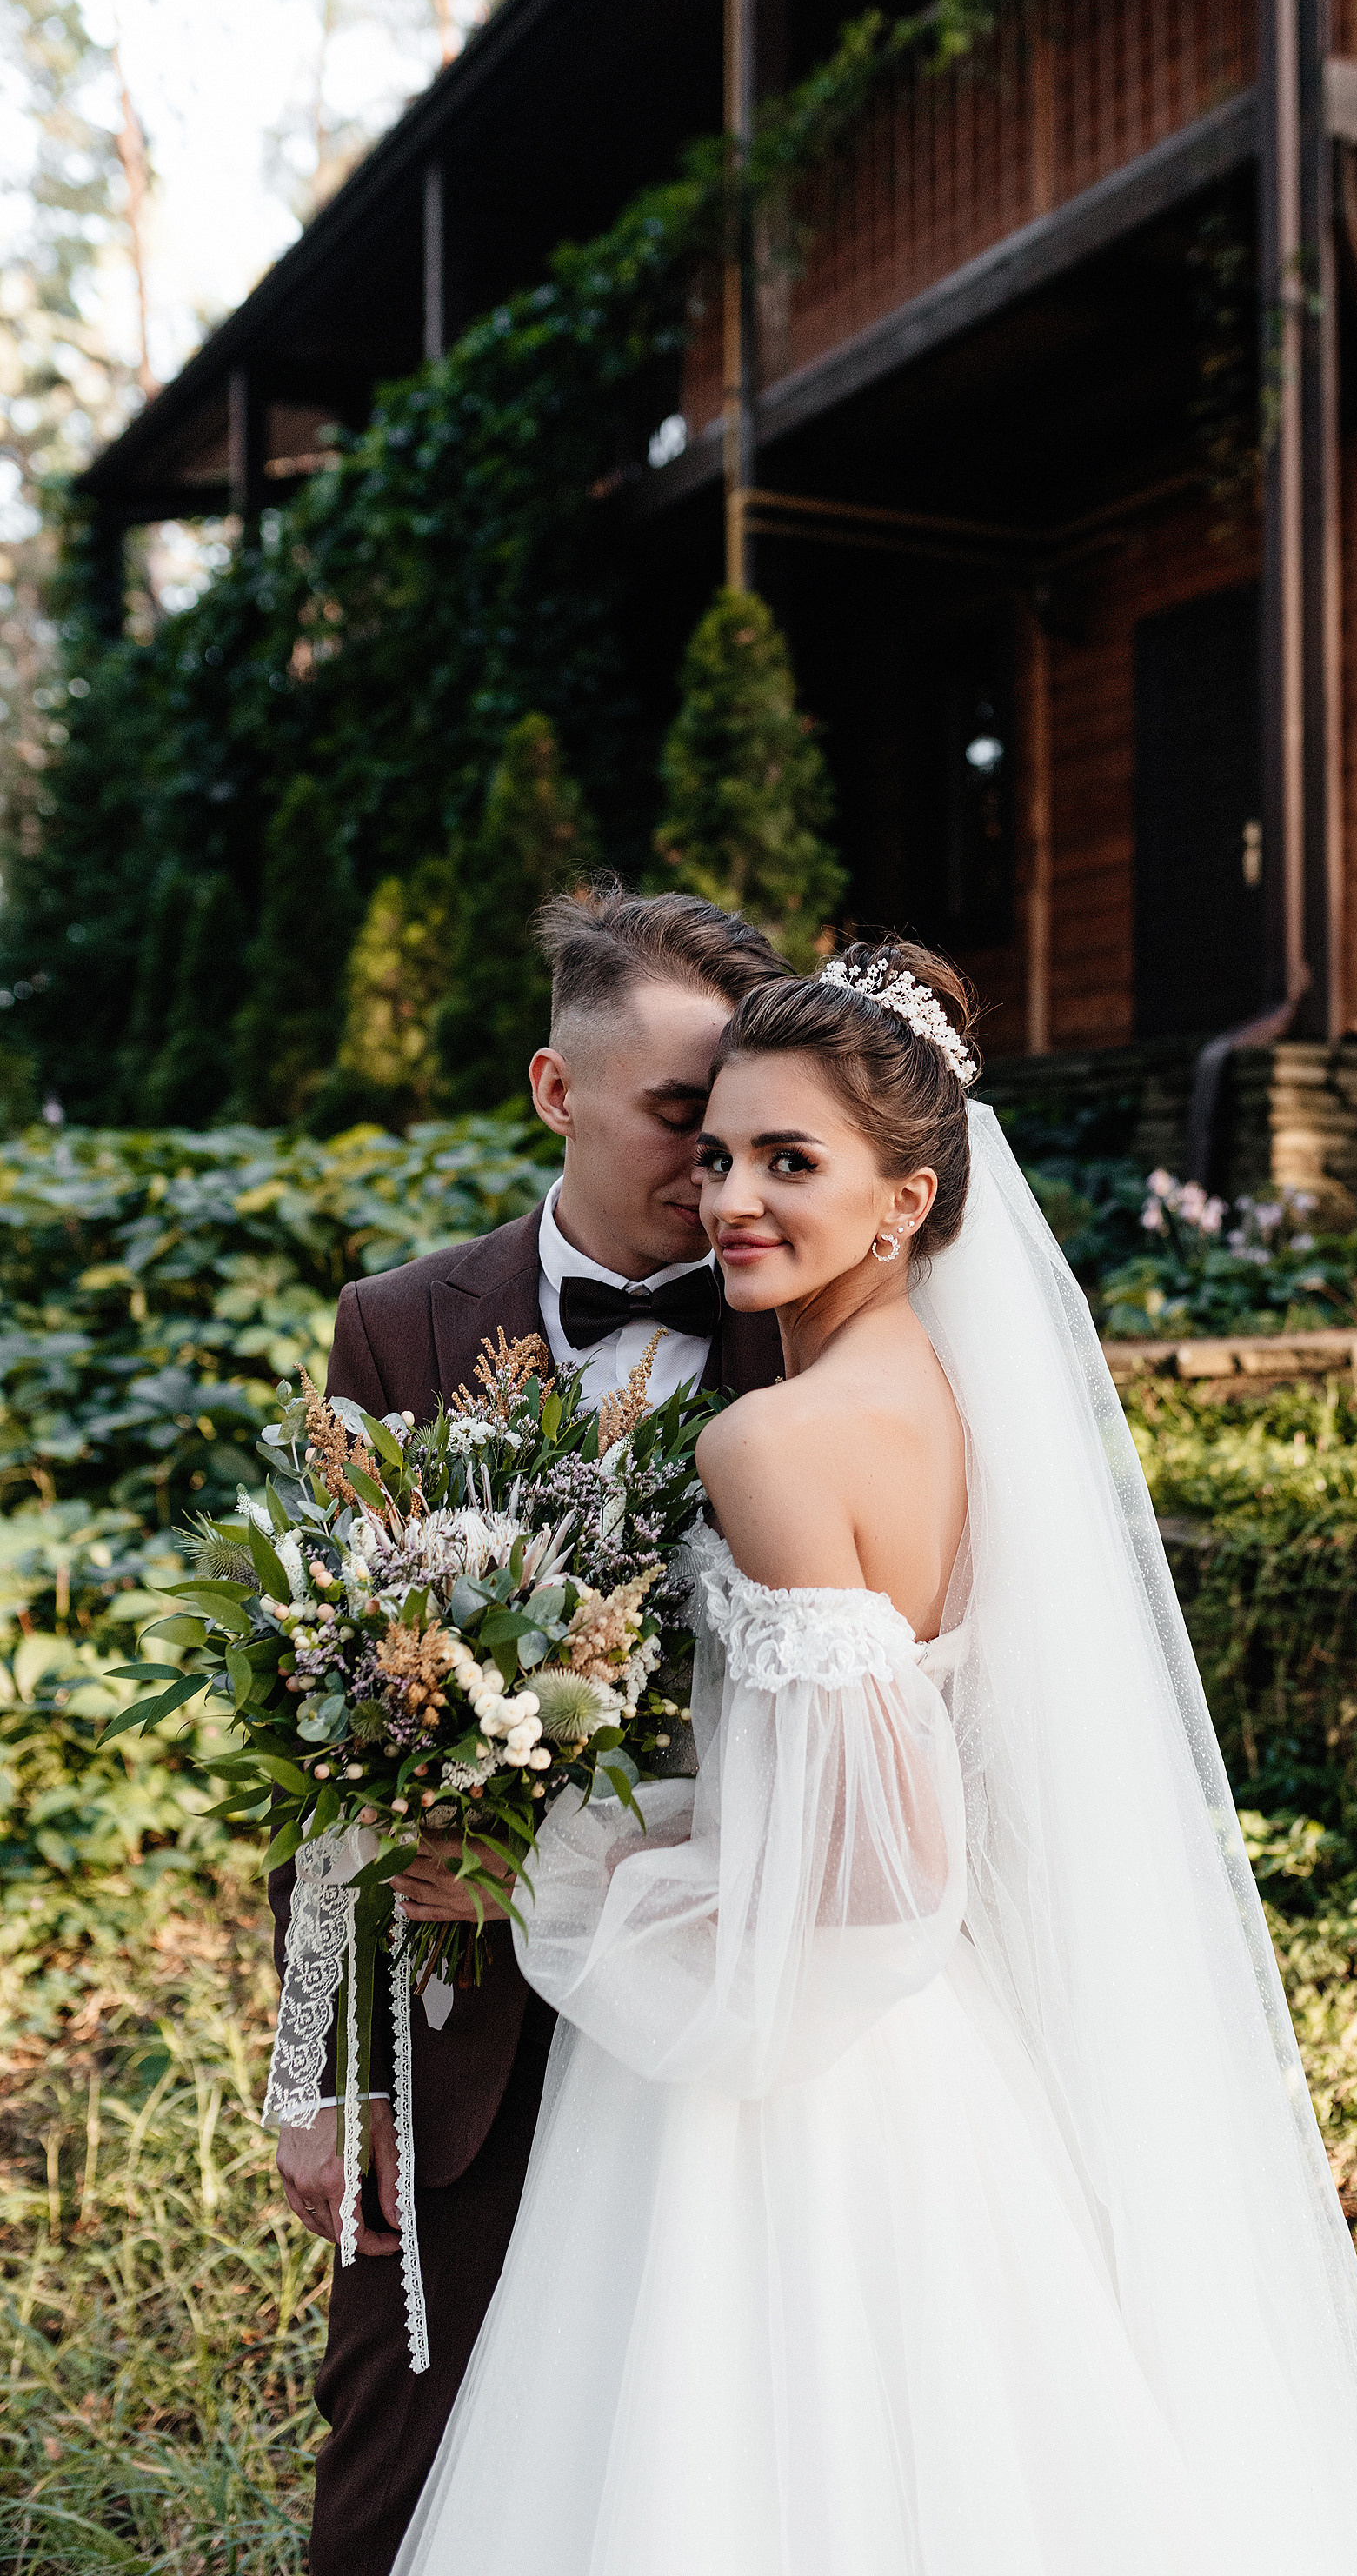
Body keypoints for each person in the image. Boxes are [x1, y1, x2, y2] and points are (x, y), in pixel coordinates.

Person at [388, 938, 1357, 2574]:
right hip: (933, 2043)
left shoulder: (771, 1439)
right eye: (722, 1149)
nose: (730, 1196)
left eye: (788, 1161)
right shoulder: (950, 1395)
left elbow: (883, 1870)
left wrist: (547, 1859)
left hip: (798, 2075)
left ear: (903, 1202)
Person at [269, 882, 789, 2576]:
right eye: (677, 1122)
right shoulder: (398, 1327)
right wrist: (313, 2072)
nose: (717, 1174)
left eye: (741, 1131)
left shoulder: (810, 1347)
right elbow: (329, 1731)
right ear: (555, 1094)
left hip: (713, 2034)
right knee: (392, 2481)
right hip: (450, 2041)